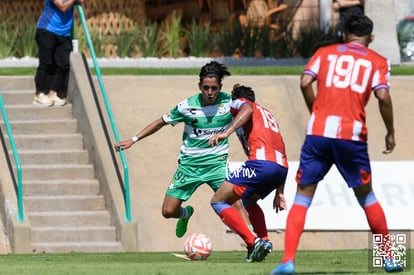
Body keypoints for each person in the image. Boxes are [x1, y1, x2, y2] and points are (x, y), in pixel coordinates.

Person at [271, 13, 403, 274]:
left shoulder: (324, 52)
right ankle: (389, 258)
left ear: (343, 34)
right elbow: (383, 96)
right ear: (371, 38)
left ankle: (287, 261)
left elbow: (305, 81)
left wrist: (315, 110)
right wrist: (391, 132)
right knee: (367, 195)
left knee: (302, 196)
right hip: (351, 137)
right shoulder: (378, 61)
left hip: (318, 134)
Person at [114, 61, 251, 239]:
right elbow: (160, 122)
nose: (210, 92)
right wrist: (133, 140)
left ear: (220, 87)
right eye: (206, 87)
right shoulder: (187, 106)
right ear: (199, 86)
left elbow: (248, 113)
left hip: (216, 165)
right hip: (189, 166)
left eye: (214, 88)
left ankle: (254, 242)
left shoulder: (229, 103)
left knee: (237, 204)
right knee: (168, 211)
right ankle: (185, 214)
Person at [208, 84, 288, 262]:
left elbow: (247, 108)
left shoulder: (241, 103)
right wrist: (280, 191)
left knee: (218, 201)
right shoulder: (268, 116)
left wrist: (225, 133)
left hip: (261, 164)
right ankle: (264, 241)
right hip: (280, 168)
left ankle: (252, 242)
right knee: (249, 200)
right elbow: (281, 148)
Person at [33, 0, 84, 107]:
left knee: (64, 64)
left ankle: (53, 93)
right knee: (46, 62)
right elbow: (62, 7)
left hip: (64, 33)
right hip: (47, 30)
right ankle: (39, 95)